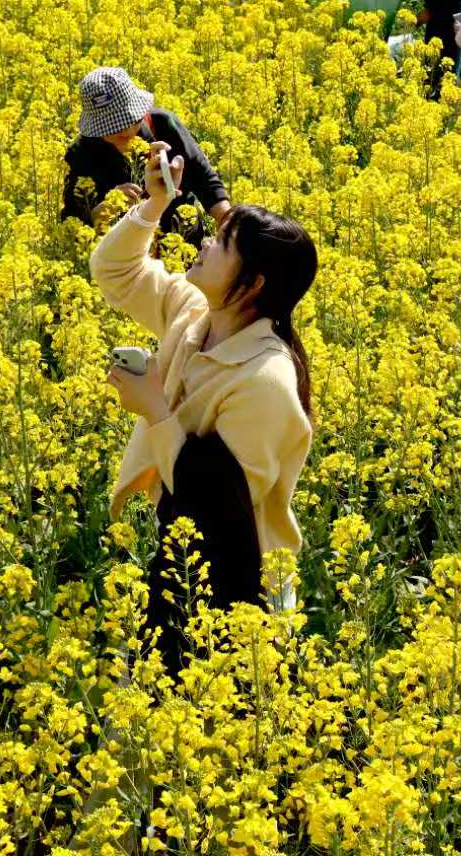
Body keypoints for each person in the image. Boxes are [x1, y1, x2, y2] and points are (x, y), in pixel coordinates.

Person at [97, 144, 318, 673]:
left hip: (242, 587)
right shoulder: (198, 312)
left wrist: (155, 409)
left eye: (221, 244)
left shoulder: (266, 379)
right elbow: (115, 271)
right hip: (184, 551)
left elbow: (220, 502)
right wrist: (153, 205)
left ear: (254, 283)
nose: (203, 243)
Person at [62, 67, 232, 241]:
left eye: (130, 121)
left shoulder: (164, 124)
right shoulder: (80, 153)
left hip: (180, 241)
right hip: (121, 256)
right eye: (111, 129)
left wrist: (228, 224)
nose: (125, 131)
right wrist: (105, 209)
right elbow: (71, 222)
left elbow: (204, 179)